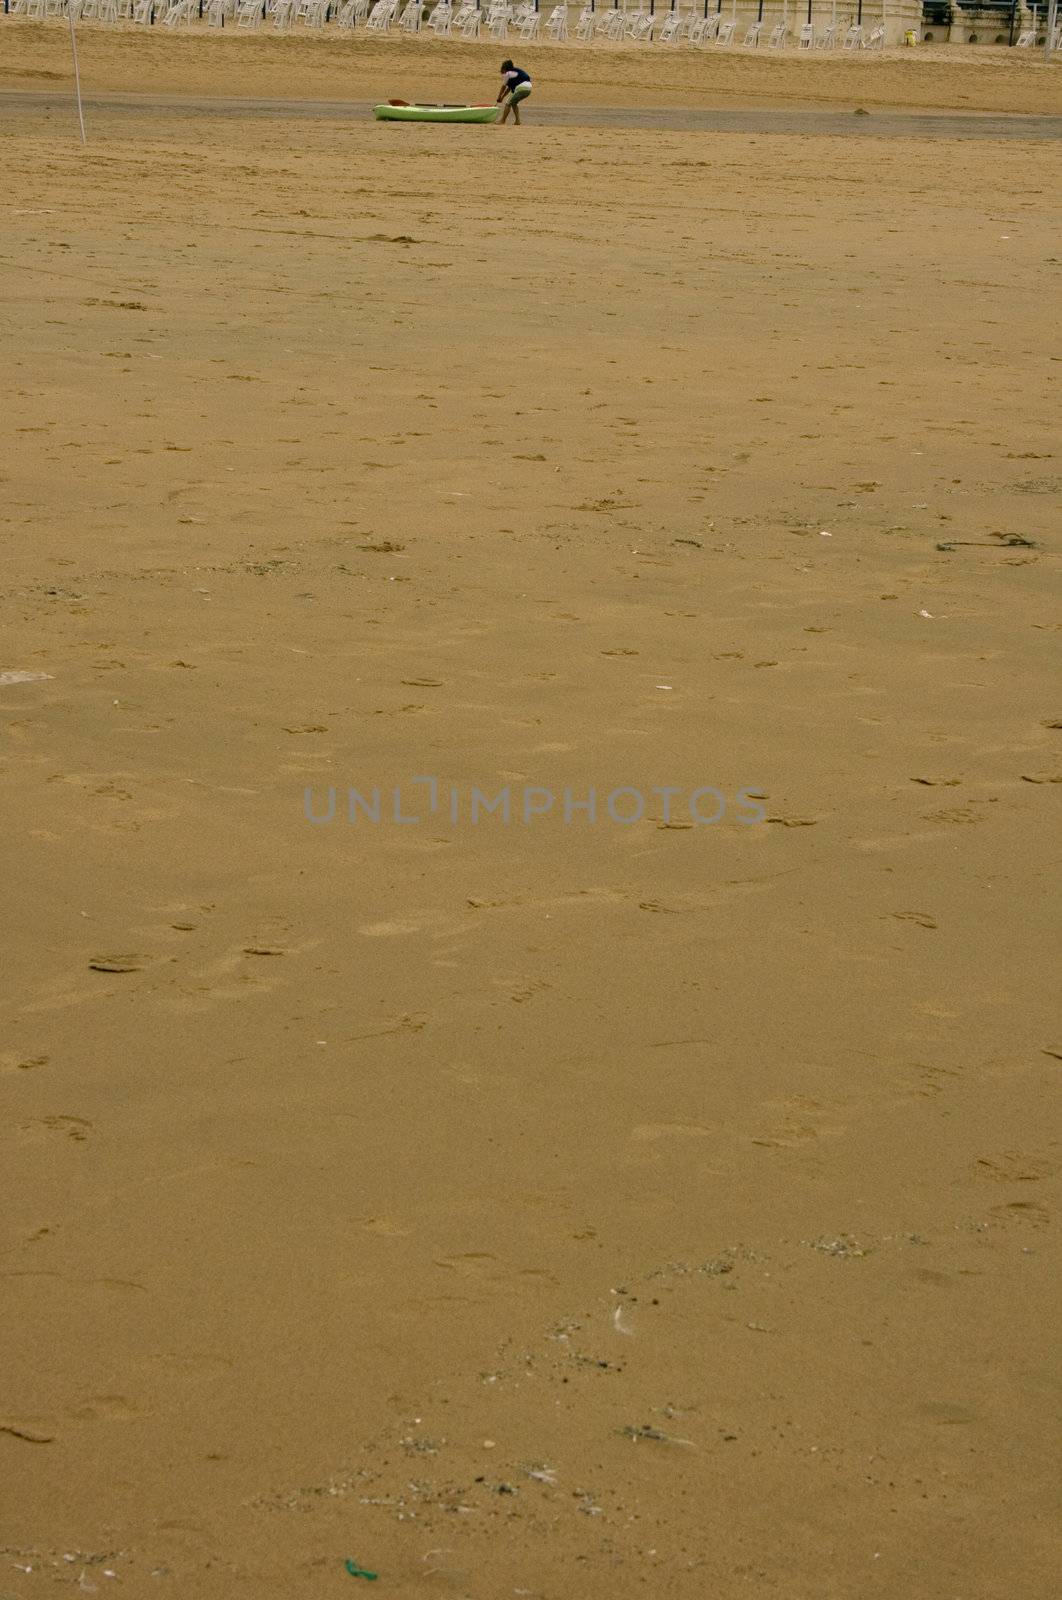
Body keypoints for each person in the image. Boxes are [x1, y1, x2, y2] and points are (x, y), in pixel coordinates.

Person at [497, 59, 532, 126]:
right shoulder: (515, 72)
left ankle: (502, 121)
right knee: (513, 102)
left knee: (508, 103)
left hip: (521, 87)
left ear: (505, 69)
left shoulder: (508, 73)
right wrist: (502, 97)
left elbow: (503, 87)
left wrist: (499, 96)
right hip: (529, 88)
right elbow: (509, 88)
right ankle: (518, 121)